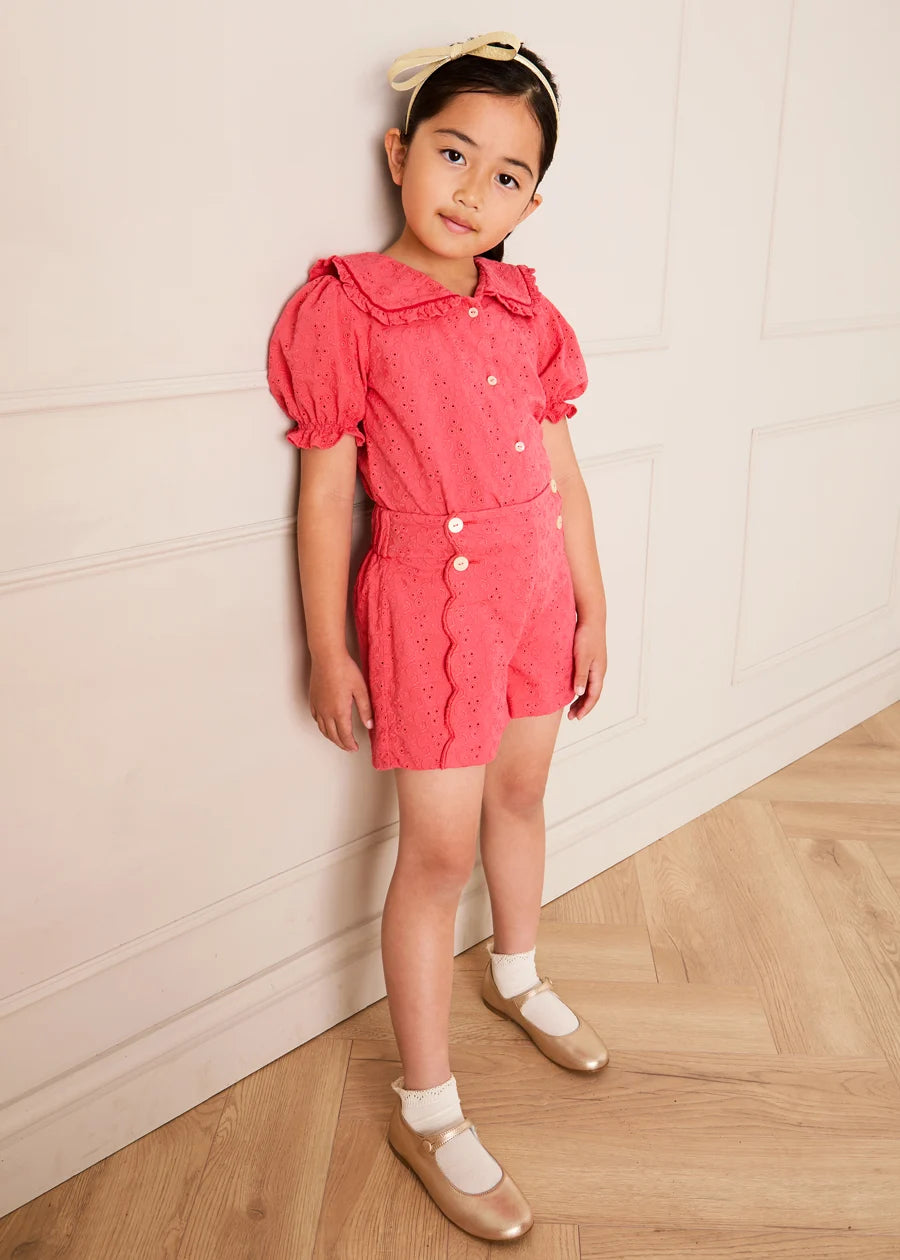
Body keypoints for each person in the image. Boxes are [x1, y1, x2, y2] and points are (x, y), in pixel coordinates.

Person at [267, 30, 609, 1243]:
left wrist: (594, 602)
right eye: (453, 154)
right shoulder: (346, 307)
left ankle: (517, 972)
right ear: (399, 152)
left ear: (530, 202)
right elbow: (325, 496)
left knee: (522, 794)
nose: (472, 192)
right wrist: (327, 647)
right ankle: (428, 1108)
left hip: (535, 593)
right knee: (437, 851)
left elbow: (563, 475)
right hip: (430, 601)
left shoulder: (525, 311)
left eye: (506, 175)